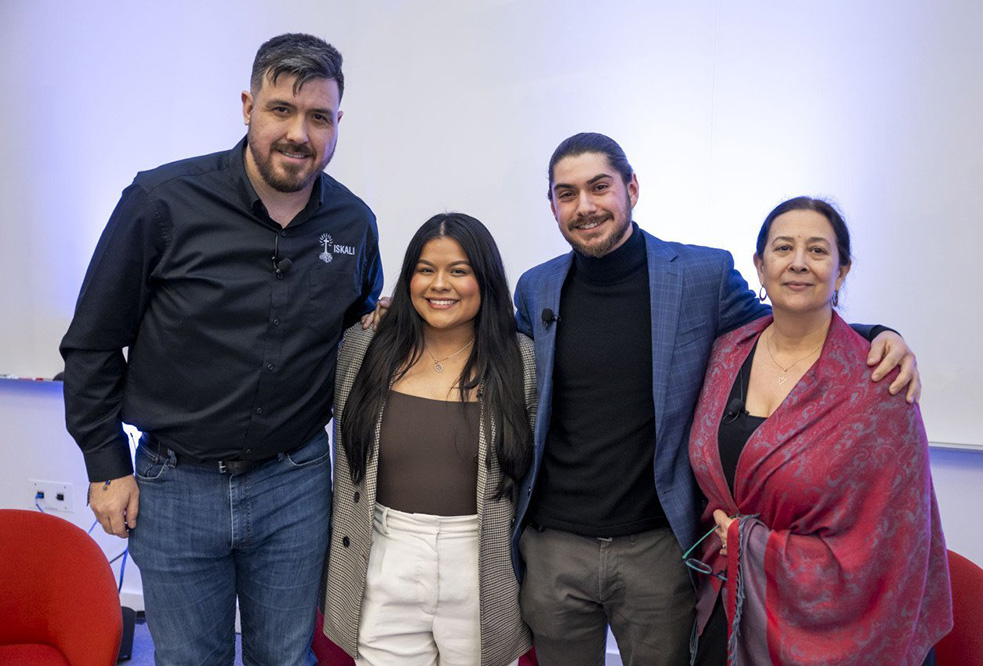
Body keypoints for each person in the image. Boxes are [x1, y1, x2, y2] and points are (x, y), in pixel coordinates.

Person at [511, 133, 921, 665]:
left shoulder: (700, 276)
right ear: (552, 205)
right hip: (553, 547)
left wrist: (876, 333)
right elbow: (503, 368)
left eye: (599, 187)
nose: (585, 206)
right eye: (567, 194)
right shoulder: (535, 287)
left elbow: (785, 317)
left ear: (631, 188)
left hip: (658, 546)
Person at [60, 33, 382, 664]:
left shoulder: (353, 224)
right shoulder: (160, 202)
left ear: (337, 123)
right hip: (174, 485)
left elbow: (354, 344)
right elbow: (93, 343)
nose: (299, 133)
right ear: (247, 106)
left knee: (288, 657)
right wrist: (105, 464)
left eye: (318, 116)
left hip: (295, 483)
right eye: (281, 110)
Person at [687, 197, 951, 665]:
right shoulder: (725, 355)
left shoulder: (880, 383)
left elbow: (891, 547)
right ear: (760, 267)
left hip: (830, 631)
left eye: (818, 251)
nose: (798, 263)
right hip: (725, 605)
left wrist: (750, 542)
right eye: (783, 248)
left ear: (842, 271)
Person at [323, 213, 535, 665]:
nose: (440, 284)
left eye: (459, 271)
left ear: (487, 279)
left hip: (482, 560)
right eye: (425, 270)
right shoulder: (364, 349)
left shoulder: (523, 361)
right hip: (383, 555)